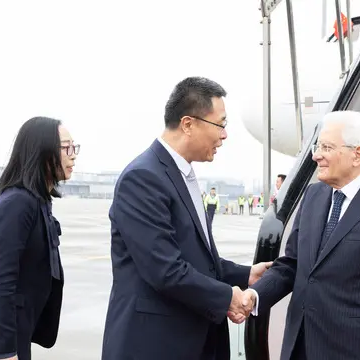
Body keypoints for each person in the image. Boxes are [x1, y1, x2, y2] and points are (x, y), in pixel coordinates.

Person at [101, 77, 272, 360]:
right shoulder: (143, 178)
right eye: (221, 124)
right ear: (188, 124)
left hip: (191, 339)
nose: (224, 136)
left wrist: (246, 274)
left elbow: (195, 258)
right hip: (155, 344)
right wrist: (228, 297)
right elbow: (165, 269)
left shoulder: (182, 175)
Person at [240, 111, 360, 360]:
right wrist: (255, 295)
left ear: (357, 154)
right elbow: (292, 264)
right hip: (299, 347)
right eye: (317, 146)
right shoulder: (313, 195)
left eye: (326, 147)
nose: (316, 155)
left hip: (353, 350)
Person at [0, 117, 79, 360]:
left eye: (74, 147)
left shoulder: (38, 201)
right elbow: (0, 279)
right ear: (41, 151)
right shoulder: (18, 204)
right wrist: (5, 352)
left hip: (13, 333)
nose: (73, 155)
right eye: (66, 148)